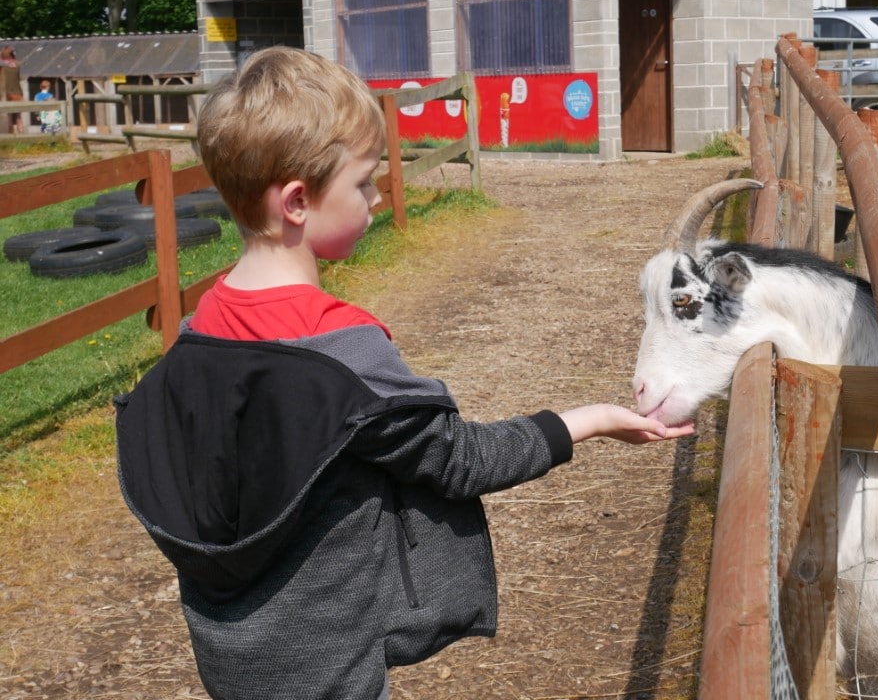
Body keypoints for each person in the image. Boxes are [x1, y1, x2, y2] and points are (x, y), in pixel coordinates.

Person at [114, 46, 693, 700]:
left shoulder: (203, 329)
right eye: (362, 182)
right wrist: (587, 421)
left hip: (232, 658)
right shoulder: (341, 349)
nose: (378, 192)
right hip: (332, 667)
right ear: (299, 201)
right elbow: (458, 460)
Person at [0, 45, 24, 134]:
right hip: (17, 92)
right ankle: (21, 135)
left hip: (5, 93)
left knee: (9, 117)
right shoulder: (17, 64)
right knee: (18, 117)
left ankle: (9, 136)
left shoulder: (2, 66)